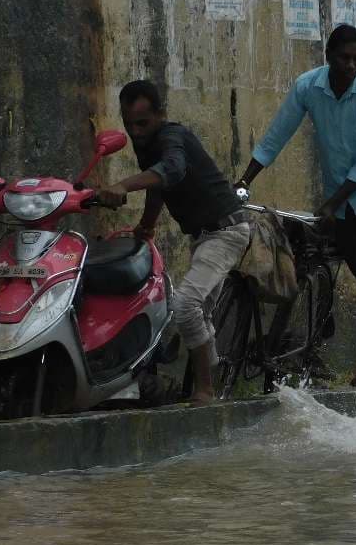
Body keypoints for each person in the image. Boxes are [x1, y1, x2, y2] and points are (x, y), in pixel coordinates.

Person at [235, 24, 356, 388]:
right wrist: (245, 180)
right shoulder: (309, 86)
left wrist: (331, 205)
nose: (351, 65)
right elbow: (277, 135)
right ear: (329, 57)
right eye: (344, 58)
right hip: (339, 190)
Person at [96, 80, 251, 405]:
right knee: (199, 314)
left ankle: (205, 391)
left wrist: (123, 186)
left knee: (184, 306)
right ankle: (215, 381)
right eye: (129, 125)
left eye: (143, 123)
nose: (136, 132)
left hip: (226, 231)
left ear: (161, 115)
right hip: (203, 236)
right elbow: (159, 186)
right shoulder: (147, 144)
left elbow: (172, 170)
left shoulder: (172, 137)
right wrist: (146, 226)